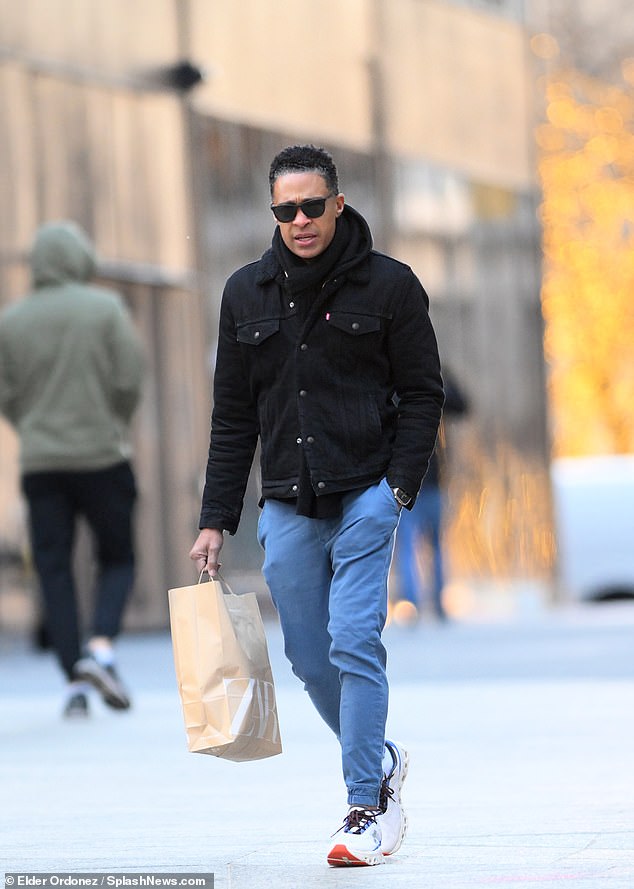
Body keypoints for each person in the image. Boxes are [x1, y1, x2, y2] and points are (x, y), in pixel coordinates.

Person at [190, 145, 444, 867]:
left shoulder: (391, 286)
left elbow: (425, 392)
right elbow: (232, 415)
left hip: (368, 491)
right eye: (285, 209)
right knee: (307, 653)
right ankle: (382, 755)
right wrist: (216, 517)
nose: (299, 220)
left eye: (311, 205)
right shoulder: (246, 293)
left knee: (353, 638)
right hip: (289, 502)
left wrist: (397, 488)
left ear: (338, 202)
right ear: (274, 212)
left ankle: (367, 803)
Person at [0, 221, 144, 718]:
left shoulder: (11, 322)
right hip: (103, 455)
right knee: (118, 558)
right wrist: (113, 423)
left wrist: (35, 429)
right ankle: (101, 647)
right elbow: (130, 379)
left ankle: (74, 676)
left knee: (53, 568)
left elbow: (7, 396)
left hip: (42, 463)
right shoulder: (104, 310)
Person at [393, 368, 469, 622]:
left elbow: (462, 407)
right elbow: (461, 405)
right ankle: (421, 602)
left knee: (419, 544)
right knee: (423, 544)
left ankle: (422, 602)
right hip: (413, 479)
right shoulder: (422, 383)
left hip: (420, 478)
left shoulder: (401, 383)